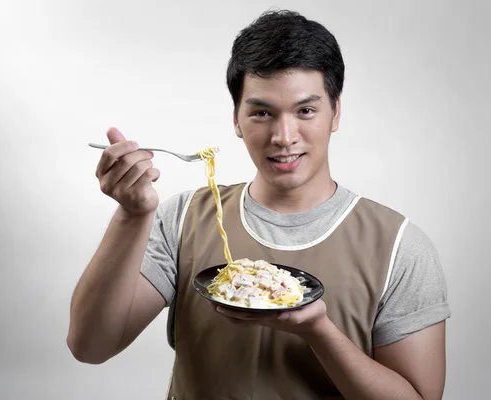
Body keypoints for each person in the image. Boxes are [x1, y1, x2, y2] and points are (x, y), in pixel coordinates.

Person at [67, 9, 450, 400]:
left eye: (305, 110)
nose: (284, 136)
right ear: (236, 119)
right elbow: (90, 346)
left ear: (335, 112)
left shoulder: (399, 247)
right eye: (262, 112)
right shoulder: (182, 219)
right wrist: (132, 216)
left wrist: (318, 331)